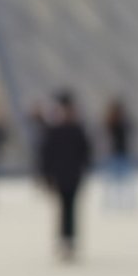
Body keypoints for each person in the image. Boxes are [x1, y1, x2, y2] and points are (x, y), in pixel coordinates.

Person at [41, 89, 93, 260]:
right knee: (66, 207)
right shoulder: (63, 129)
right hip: (64, 174)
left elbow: (85, 152)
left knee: (68, 207)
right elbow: (46, 154)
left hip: (70, 174)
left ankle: (67, 239)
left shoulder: (70, 128)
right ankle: (66, 239)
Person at [102, 95, 137, 208]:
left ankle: (128, 203)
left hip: (123, 154)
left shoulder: (123, 123)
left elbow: (131, 129)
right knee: (112, 181)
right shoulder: (112, 123)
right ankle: (111, 203)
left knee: (126, 181)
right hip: (115, 154)